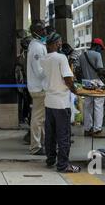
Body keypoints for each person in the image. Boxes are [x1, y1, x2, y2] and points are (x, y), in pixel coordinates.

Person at [41, 32, 81, 173]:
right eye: (59, 42)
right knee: (64, 135)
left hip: (49, 101)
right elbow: (68, 79)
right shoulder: (61, 58)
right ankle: (63, 165)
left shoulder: (44, 59)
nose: (60, 44)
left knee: (50, 134)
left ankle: (50, 159)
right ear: (56, 43)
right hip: (61, 103)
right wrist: (76, 90)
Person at [27, 20, 48, 155]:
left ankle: (41, 143)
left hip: (39, 87)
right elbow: (39, 71)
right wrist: (52, 69)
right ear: (36, 32)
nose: (44, 32)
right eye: (41, 30)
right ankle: (35, 146)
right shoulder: (37, 48)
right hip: (39, 87)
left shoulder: (38, 45)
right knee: (38, 118)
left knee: (41, 118)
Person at [79, 38, 105, 138]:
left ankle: (87, 129)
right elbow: (99, 69)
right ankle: (97, 130)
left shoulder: (82, 55)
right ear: (97, 46)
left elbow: (80, 71)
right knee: (98, 106)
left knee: (87, 106)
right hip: (96, 83)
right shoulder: (97, 55)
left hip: (86, 83)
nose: (101, 51)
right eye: (101, 48)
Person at [15, 37, 32, 128]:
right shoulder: (22, 58)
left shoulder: (20, 58)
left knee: (28, 104)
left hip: (27, 85)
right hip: (27, 85)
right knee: (28, 104)